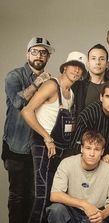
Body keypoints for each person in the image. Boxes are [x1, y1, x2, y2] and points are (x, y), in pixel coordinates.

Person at [21, 51, 86, 223]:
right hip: (43, 145)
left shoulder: (70, 94)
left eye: (80, 69)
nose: (76, 71)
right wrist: (46, 138)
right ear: (65, 67)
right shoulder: (51, 85)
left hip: (59, 148)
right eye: (73, 66)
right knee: (41, 195)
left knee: (53, 194)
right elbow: (26, 111)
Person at [1, 37, 54, 223]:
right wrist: (38, 83)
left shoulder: (49, 80)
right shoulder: (14, 76)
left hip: (37, 147)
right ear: (27, 54)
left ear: (48, 57)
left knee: (35, 195)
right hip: (16, 146)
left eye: (44, 52)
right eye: (35, 51)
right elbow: (17, 102)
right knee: (18, 196)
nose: (39, 55)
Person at [46, 130, 109, 223]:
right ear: (81, 149)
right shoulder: (67, 163)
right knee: (56, 209)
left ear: (102, 151)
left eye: (96, 149)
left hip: (97, 212)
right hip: (73, 211)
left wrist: (102, 215)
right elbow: (55, 195)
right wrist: (84, 204)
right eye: (88, 148)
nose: (92, 154)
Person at [72, 44, 108, 117]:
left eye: (102, 59)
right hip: (83, 127)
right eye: (93, 58)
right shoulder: (77, 86)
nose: (97, 62)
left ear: (107, 64)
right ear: (88, 63)